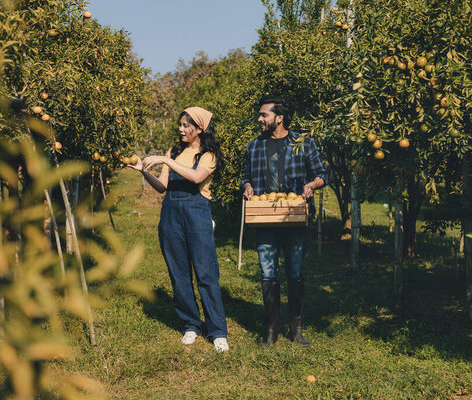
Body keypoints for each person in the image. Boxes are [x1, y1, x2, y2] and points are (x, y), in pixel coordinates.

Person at [129, 106, 229, 352]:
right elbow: (162, 187)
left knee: (206, 273)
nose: (181, 129)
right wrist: (143, 171)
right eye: (181, 124)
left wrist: (166, 160)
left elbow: (196, 178)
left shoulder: (208, 155)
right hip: (171, 215)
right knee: (178, 272)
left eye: (187, 125)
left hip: (197, 214)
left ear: (200, 129)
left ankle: (217, 331)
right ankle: (191, 325)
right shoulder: (174, 151)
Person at [241, 96, 328, 346]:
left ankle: (296, 330)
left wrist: (311, 185)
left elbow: (322, 174)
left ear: (279, 118)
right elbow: (245, 177)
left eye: (263, 115)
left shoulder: (303, 143)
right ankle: (271, 331)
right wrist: (247, 186)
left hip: (294, 215)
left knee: (295, 272)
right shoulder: (254, 146)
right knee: (268, 273)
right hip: (264, 216)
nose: (259, 119)